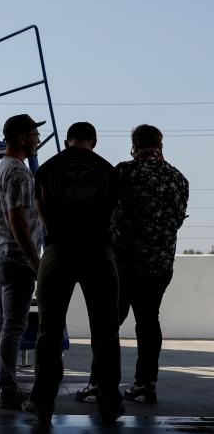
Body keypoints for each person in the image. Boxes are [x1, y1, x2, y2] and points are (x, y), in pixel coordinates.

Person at [77, 124, 189, 404]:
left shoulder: (123, 172)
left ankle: (99, 383)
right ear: (160, 145)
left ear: (134, 146)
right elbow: (175, 221)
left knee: (109, 323)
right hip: (160, 265)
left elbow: (103, 211)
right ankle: (145, 384)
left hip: (122, 264)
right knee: (149, 321)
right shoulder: (178, 179)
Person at [22, 122, 123, 423]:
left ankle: (42, 403)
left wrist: (56, 234)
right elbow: (114, 212)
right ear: (94, 140)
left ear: (67, 141)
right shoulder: (109, 170)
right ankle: (110, 402)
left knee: (49, 332)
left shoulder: (48, 168)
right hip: (99, 252)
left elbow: (40, 210)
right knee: (105, 332)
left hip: (58, 251)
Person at [0, 114, 44, 408]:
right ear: (22, 137)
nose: (37, 140)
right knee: (13, 327)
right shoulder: (20, 172)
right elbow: (17, 219)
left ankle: (0, 385)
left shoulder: (1, 168)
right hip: (16, 258)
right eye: (34, 134)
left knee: (1, 325)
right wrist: (35, 260)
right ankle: (8, 390)